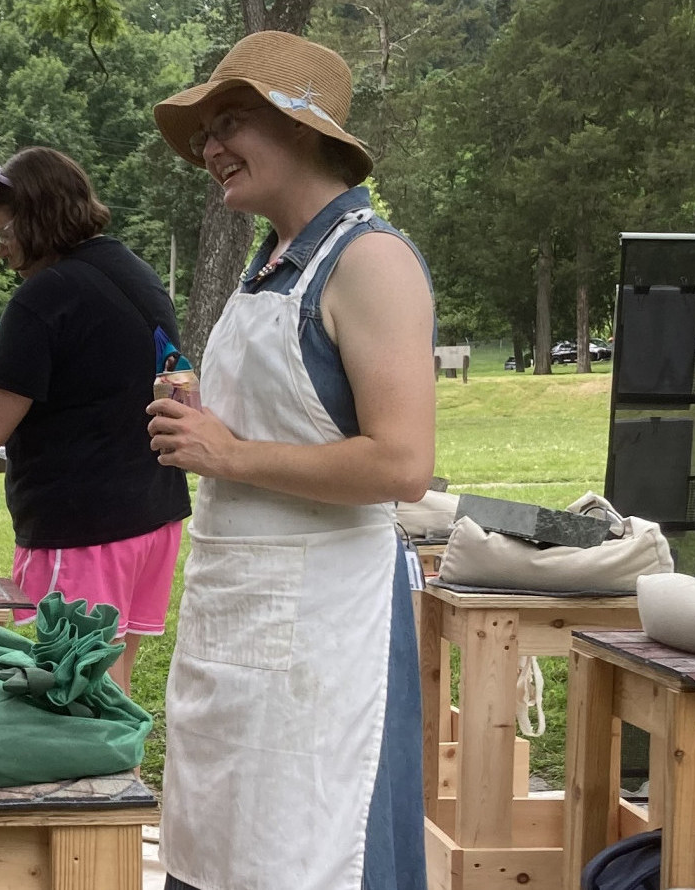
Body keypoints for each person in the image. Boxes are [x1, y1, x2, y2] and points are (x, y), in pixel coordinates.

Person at [145, 31, 435, 890]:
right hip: (238, 626)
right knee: (224, 858)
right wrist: (203, 423)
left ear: (302, 129)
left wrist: (226, 452)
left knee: (311, 859)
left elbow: (401, 463)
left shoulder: (368, 261)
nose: (207, 149)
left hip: (322, 635)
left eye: (227, 121)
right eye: (201, 133)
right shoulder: (268, 267)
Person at [0, 146, 191, 693]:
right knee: (112, 689)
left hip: (83, 528)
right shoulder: (136, 273)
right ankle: (121, 777)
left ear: (38, 218)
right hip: (154, 516)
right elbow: (123, 386)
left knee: (77, 697)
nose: (3, 247)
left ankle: (104, 777)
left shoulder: (44, 297)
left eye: (5, 230)